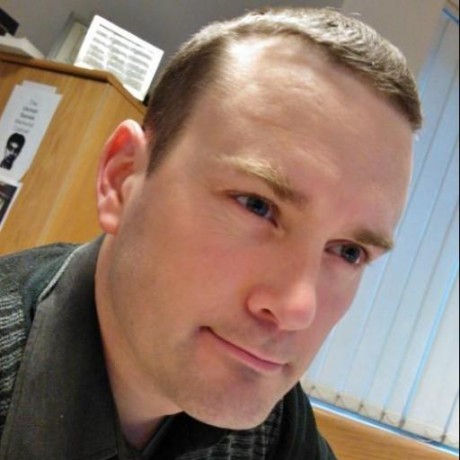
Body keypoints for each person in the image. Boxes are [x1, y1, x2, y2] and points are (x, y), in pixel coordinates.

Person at [0, 7, 422, 460]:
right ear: (122, 179)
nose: (296, 309)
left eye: (349, 251)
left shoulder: (268, 411)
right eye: (257, 205)